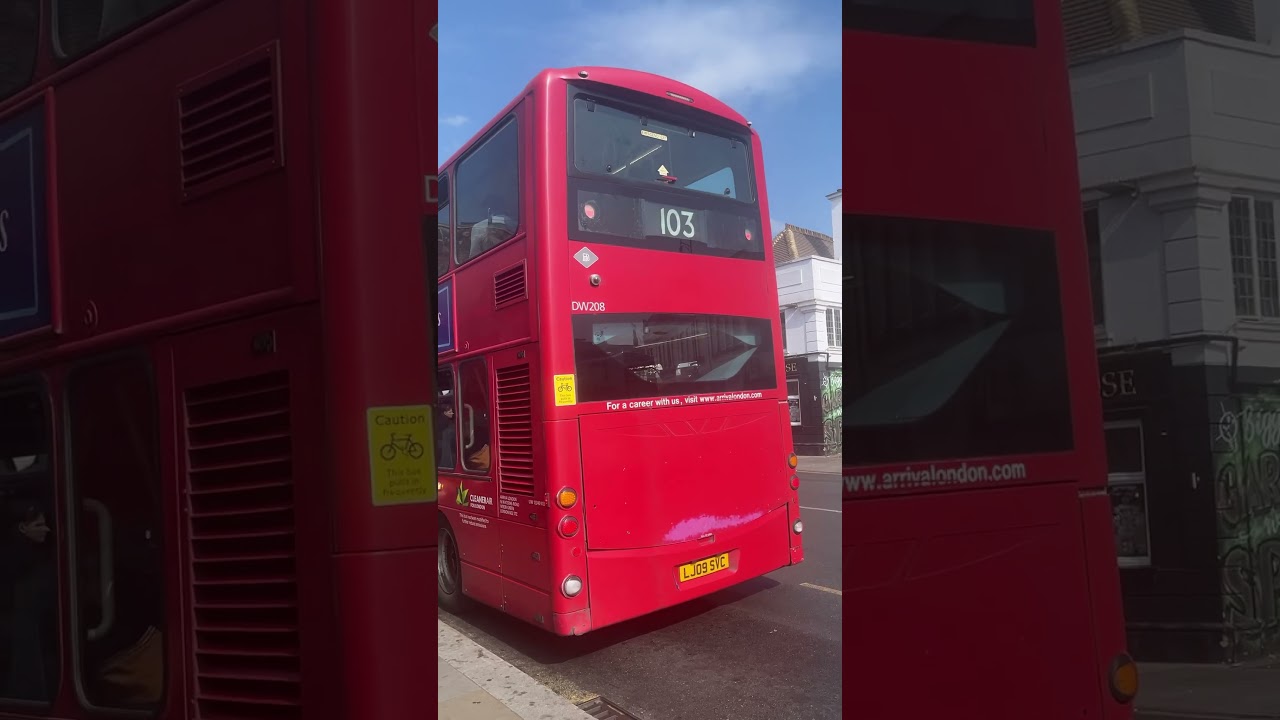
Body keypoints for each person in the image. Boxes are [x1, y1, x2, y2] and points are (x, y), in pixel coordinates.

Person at [3, 498, 56, 701]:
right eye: (39, 525)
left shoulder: (34, 554)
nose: (47, 529)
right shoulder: (19, 562)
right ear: (23, 528)